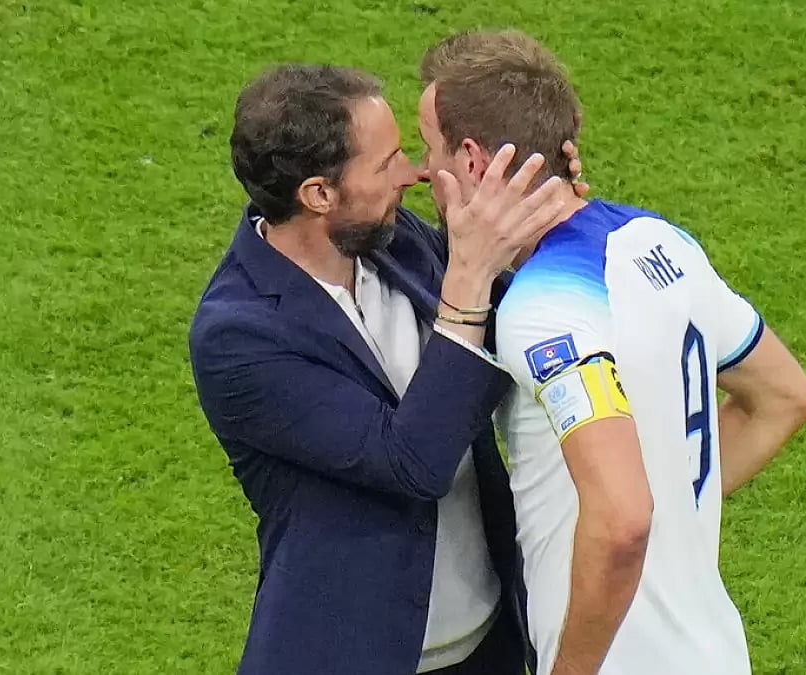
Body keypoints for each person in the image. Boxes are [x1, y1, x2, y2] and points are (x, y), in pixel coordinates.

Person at [418, 30, 806, 675]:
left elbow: (623, 517)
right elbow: (783, 398)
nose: (419, 171)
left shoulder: (544, 311)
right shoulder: (655, 240)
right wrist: (676, 524)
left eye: (429, 149)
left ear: (470, 160)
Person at [188, 63, 579, 675]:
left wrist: (544, 223)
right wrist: (468, 279)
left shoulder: (390, 241)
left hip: (489, 641)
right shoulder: (240, 337)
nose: (414, 173)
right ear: (319, 194)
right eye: (387, 161)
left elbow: (511, 329)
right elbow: (413, 462)